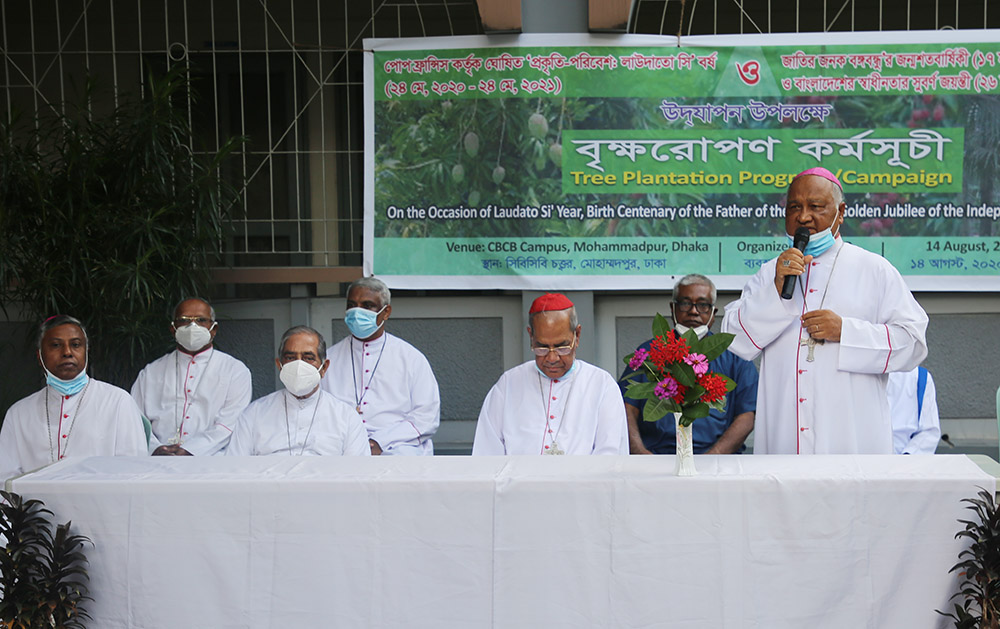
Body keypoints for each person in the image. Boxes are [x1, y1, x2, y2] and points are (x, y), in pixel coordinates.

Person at [720, 167, 928, 454]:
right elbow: (734, 340)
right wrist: (775, 295)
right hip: (784, 442)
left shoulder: (874, 269)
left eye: (815, 207)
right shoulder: (770, 273)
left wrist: (846, 331)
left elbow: (914, 343)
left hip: (851, 441)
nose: (803, 217)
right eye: (795, 207)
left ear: (840, 212)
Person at [473, 293, 628, 455]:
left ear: (577, 335)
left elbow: (611, 457)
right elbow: (486, 454)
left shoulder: (601, 385)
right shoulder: (508, 385)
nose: (552, 358)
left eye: (562, 347)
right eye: (542, 348)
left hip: (583, 480)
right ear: (531, 336)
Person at [620, 274, 758, 455]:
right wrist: (640, 452)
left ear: (713, 314)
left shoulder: (736, 355)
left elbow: (747, 415)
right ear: (673, 308)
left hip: (717, 461)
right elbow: (626, 407)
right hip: (655, 458)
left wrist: (713, 457)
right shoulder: (650, 353)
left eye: (702, 305)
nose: (693, 311)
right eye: (685, 303)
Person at [0, 315, 147, 480]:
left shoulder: (118, 402)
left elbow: (134, 472)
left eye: (76, 345)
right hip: (35, 505)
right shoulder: (19, 413)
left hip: (99, 504)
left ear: (86, 352)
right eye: (56, 345)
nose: (67, 352)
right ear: (39, 356)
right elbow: (5, 480)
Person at [322, 277, 440, 456]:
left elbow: (426, 417)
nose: (357, 311)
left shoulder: (411, 358)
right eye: (352, 305)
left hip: (397, 447)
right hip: (340, 448)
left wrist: (379, 442)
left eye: (367, 306)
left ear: (386, 312)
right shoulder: (329, 359)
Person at [131, 298, 252, 456]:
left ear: (213, 329)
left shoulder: (234, 371)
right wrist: (155, 449)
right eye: (184, 320)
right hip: (157, 461)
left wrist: (191, 450)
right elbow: (136, 420)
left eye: (201, 320)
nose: (192, 326)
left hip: (211, 461)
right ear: (173, 329)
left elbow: (229, 424)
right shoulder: (151, 372)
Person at [225, 326, 370, 457]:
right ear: (279, 365)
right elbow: (235, 468)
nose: (299, 365)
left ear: (324, 367)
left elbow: (356, 473)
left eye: (308, 358)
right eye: (290, 358)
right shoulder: (254, 414)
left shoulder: (347, 417)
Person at [887, 366, 941, 455]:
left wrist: (907, 458)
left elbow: (929, 432)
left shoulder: (919, 378)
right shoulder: (857, 373)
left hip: (905, 461)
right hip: (861, 461)